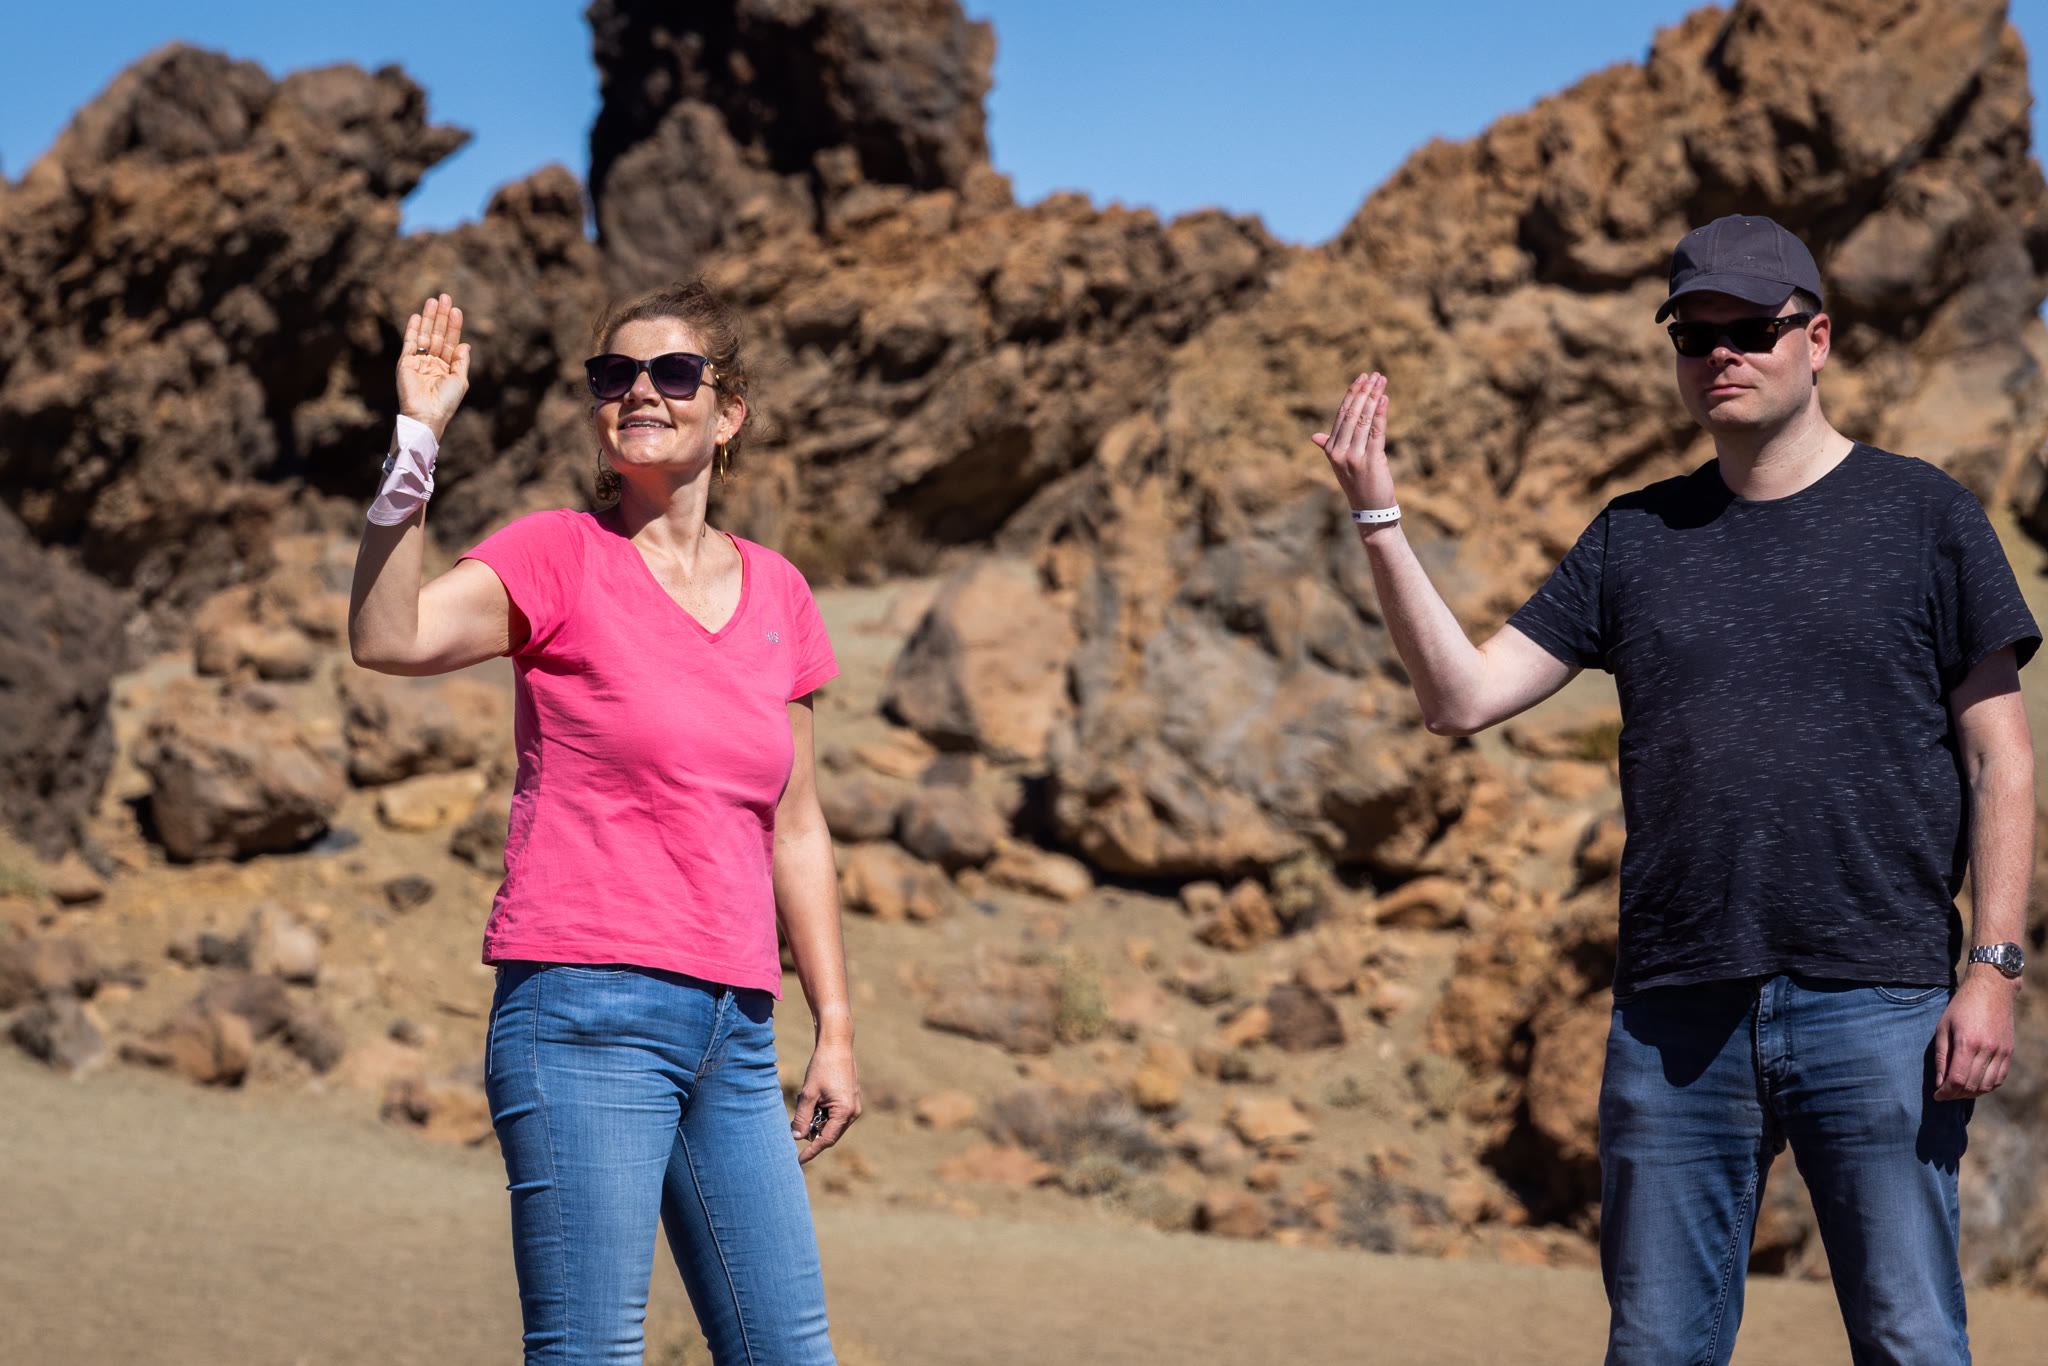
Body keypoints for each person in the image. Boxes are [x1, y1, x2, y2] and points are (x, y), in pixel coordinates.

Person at [1313, 215, 2037, 1365]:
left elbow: (2000, 755)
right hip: (1671, 1015)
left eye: (1749, 329)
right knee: (1654, 1349)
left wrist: (1991, 970)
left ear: (1816, 339)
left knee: (1909, 1341)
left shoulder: (1925, 518)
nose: (1720, 355)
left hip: (1878, 1004)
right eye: (1692, 336)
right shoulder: (1632, 537)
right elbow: (1459, 696)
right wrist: (1376, 518)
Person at [349, 282, 858, 1365]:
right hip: (584, 1010)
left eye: (673, 373)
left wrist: (837, 1026)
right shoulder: (555, 555)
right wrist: (416, 440)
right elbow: (388, 637)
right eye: (614, 375)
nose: (640, 392)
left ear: (728, 412)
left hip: (735, 1027)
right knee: (589, 1351)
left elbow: (798, 826)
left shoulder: (780, 593)